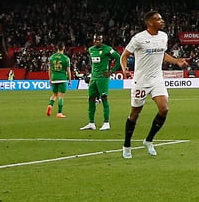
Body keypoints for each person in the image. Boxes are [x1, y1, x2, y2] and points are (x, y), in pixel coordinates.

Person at [118, 11, 190, 159]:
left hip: (157, 78)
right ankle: (126, 145)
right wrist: (124, 68)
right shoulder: (138, 38)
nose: (162, 21)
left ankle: (149, 140)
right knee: (135, 114)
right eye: (158, 19)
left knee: (164, 109)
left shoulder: (163, 36)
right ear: (149, 22)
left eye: (161, 19)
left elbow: (162, 54)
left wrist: (176, 61)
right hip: (141, 81)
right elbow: (124, 55)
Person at [80, 34, 122, 131]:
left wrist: (111, 72)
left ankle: (106, 122)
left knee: (104, 98)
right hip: (93, 78)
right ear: (93, 40)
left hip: (103, 78)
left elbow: (118, 58)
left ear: (102, 40)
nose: (97, 41)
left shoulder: (107, 49)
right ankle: (91, 123)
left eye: (99, 39)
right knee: (91, 99)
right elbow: (93, 63)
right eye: (96, 39)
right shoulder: (91, 50)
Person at [46, 45, 72, 118]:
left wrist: (50, 79)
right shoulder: (66, 58)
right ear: (63, 48)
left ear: (57, 48)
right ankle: (59, 113)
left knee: (55, 94)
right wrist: (70, 80)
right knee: (61, 96)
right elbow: (68, 70)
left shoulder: (52, 57)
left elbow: (50, 70)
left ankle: (50, 105)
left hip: (54, 78)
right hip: (62, 78)